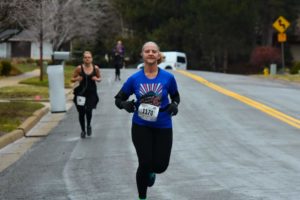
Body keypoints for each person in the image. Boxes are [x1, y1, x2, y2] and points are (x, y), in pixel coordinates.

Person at [114, 41, 180, 200]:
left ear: (158, 55)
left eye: (153, 51)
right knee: (144, 163)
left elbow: (176, 96)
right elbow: (118, 98)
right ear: (142, 55)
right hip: (141, 126)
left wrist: (174, 105)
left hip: (163, 125)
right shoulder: (134, 79)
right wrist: (125, 104)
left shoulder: (168, 77)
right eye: (147, 51)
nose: (150, 53)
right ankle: (142, 197)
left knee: (160, 166)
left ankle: (151, 172)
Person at [71, 51, 101, 138]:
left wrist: (97, 79)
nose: (87, 59)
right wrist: (77, 78)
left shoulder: (96, 68)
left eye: (89, 57)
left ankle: (88, 125)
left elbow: (100, 78)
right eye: (85, 57)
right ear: (83, 59)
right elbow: (72, 79)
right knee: (81, 112)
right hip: (81, 93)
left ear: (91, 59)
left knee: (89, 110)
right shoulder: (79, 68)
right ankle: (83, 130)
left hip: (91, 93)